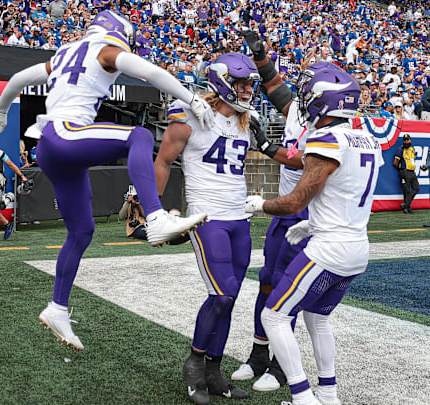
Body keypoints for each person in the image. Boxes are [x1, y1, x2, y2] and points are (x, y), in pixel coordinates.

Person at [0, 10, 212, 352]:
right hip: (65, 134)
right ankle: (155, 216)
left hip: (52, 148)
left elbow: (17, 79)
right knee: (139, 136)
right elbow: (150, 72)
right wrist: (191, 97)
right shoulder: (107, 50)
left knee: (81, 231)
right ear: (118, 33)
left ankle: (57, 308)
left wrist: (0, 111)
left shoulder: (63, 54)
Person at [244, 62, 381, 405]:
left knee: (273, 316)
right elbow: (343, 194)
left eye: (308, 94)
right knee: (316, 318)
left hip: (330, 250)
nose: (303, 100)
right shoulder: (367, 139)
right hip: (356, 248)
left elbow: (295, 201)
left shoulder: (326, 137)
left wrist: (260, 204)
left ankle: (303, 397)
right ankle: (328, 394)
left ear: (324, 101)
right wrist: (313, 223)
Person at [154, 52, 260, 404]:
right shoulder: (190, 116)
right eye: (241, 82)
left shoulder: (248, 121)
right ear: (221, 80)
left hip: (238, 219)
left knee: (230, 300)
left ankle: (214, 372)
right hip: (206, 217)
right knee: (222, 294)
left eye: (249, 84)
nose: (247, 90)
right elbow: (163, 161)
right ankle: (195, 363)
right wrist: (154, 211)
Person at [230, 31, 313, 394]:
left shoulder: (330, 124)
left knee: (285, 289)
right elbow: (274, 83)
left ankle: (282, 365)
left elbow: (305, 161)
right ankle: (258, 355)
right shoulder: (298, 108)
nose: (305, 91)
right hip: (284, 213)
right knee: (266, 280)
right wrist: (260, 55)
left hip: (307, 217)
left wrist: (265, 146)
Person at [394, 134, 419, 214]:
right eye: (404, 140)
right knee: (406, 190)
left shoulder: (412, 149)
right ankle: (407, 208)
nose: (406, 141)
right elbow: (395, 162)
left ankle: (406, 204)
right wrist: (401, 170)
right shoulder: (400, 149)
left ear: (410, 140)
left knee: (416, 188)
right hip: (405, 172)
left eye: (407, 140)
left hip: (412, 171)